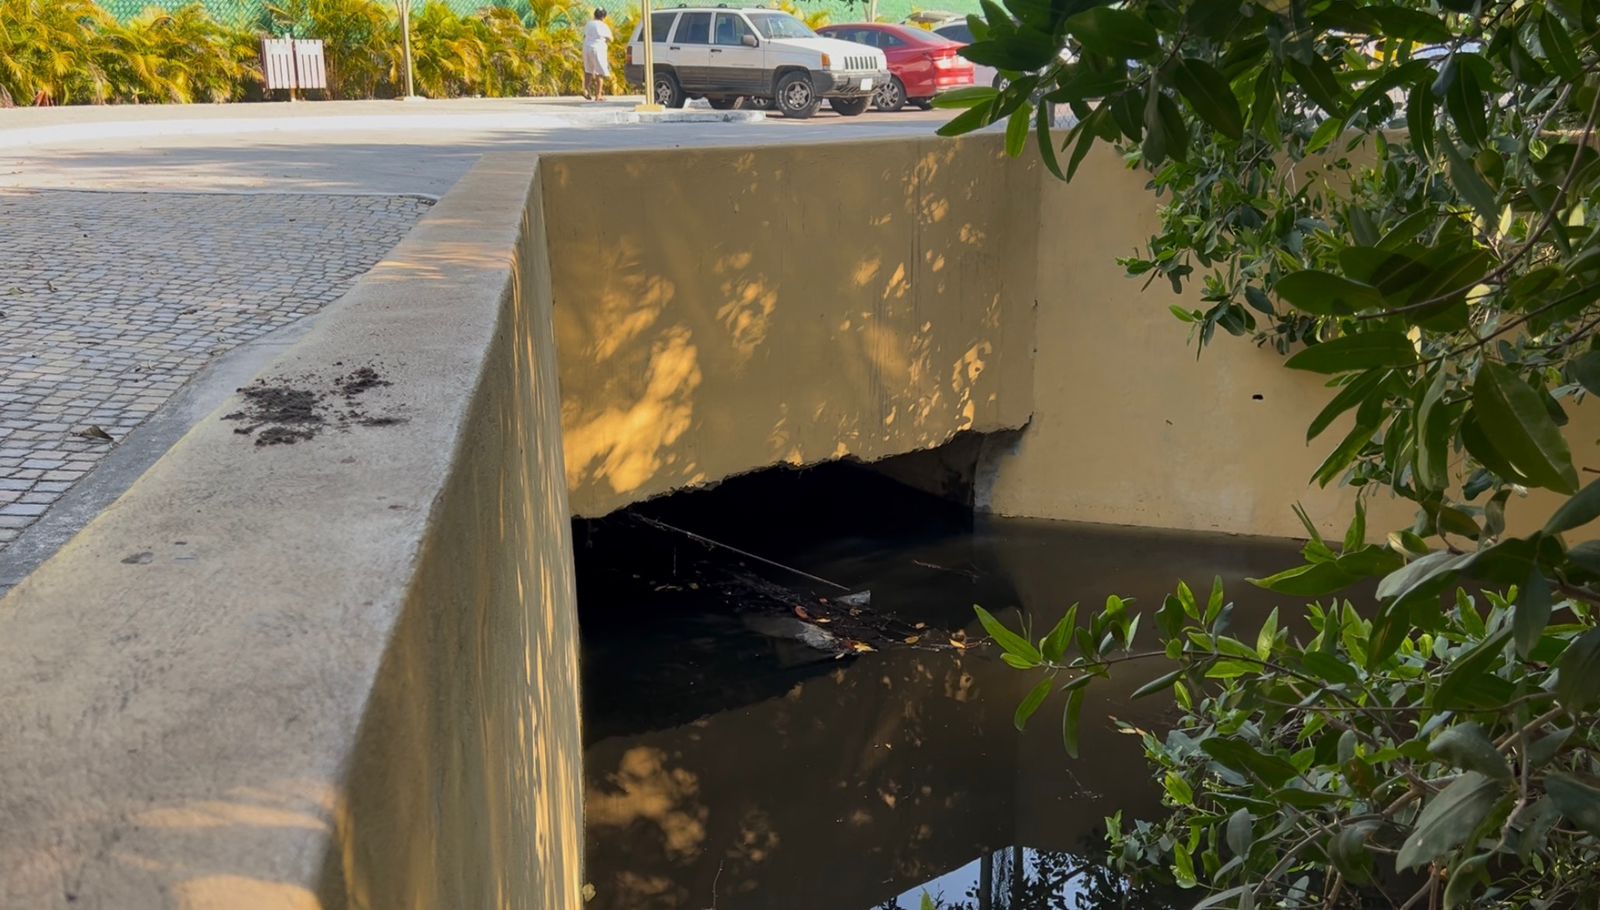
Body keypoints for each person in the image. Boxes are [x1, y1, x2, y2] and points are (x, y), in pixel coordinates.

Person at [582, 8, 613, 102]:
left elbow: (584, 36)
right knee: (600, 73)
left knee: (588, 70)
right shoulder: (603, 25)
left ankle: (586, 89)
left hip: (587, 48)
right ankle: (598, 95)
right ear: (604, 17)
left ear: (594, 15)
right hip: (598, 49)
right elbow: (611, 39)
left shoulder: (589, 24)